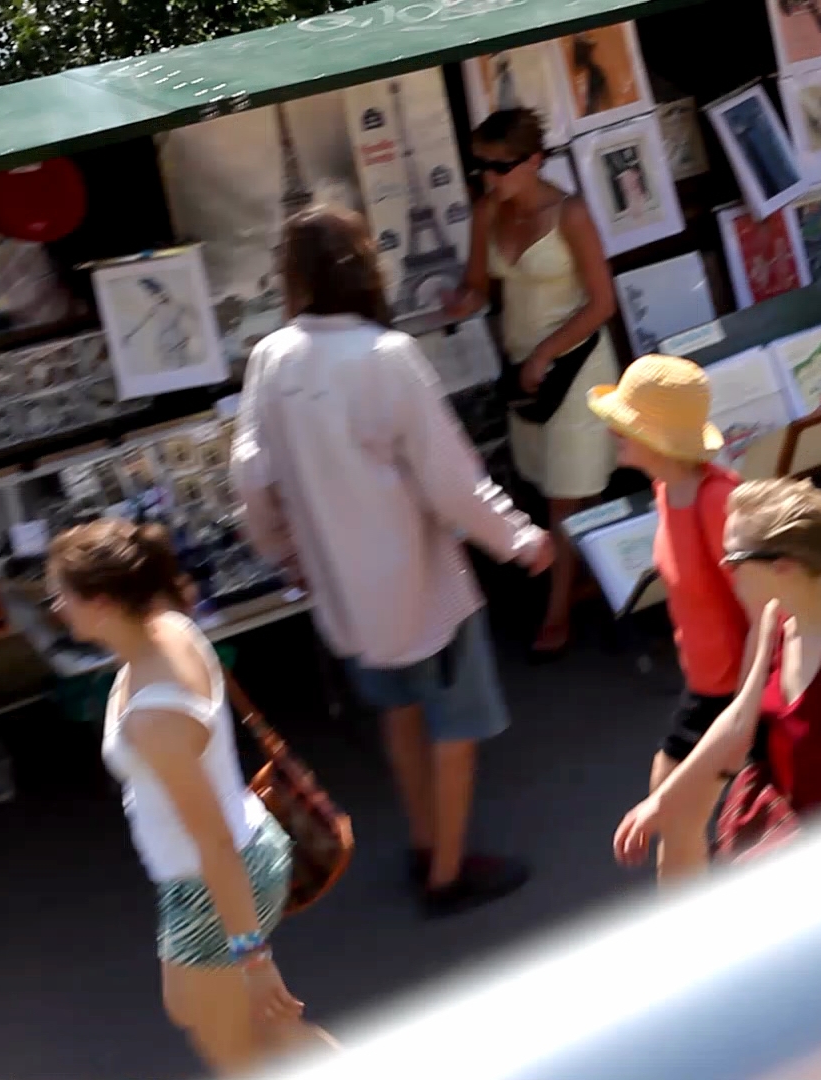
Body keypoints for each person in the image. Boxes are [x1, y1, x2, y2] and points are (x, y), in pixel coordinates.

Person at [232, 205, 554, 916]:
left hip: (342, 589)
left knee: (399, 715)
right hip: (420, 577)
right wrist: (519, 537)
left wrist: (284, 553)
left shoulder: (270, 359)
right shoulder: (385, 356)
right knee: (455, 725)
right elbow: (450, 479)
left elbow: (252, 480)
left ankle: (423, 843)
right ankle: (448, 872)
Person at [46, 518, 334, 1074]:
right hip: (239, 851)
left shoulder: (155, 718)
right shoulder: (169, 626)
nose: (57, 606)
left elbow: (212, 841)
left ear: (103, 602)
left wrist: (254, 961)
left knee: (239, 1053)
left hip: (209, 882)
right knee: (259, 1032)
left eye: (64, 594)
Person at [613, 478, 821, 868]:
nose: (724, 566)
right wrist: (661, 803)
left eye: (733, 557)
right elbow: (740, 719)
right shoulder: (776, 618)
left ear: (783, 566)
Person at [448, 108, 620, 663]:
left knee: (563, 497)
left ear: (534, 160)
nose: (489, 178)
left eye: (500, 166)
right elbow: (478, 287)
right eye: (481, 167)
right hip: (527, 374)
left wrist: (547, 350)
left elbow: (602, 303)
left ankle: (558, 611)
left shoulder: (569, 214)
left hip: (576, 366)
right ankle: (605, 575)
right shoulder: (487, 214)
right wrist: (455, 307)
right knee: (556, 485)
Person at [587, 355, 756, 883]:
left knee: (678, 815)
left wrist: (752, 710)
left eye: (625, 419)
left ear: (653, 435)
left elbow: (766, 610)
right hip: (707, 687)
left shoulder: (716, 501)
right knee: (675, 819)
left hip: (737, 692)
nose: (611, 427)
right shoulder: (667, 491)